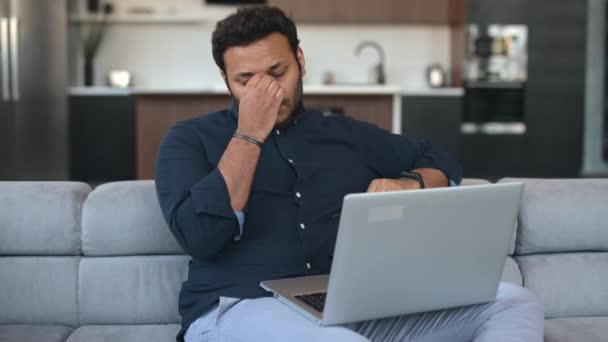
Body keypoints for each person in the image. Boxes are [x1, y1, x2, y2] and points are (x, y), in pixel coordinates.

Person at [155, 6, 544, 342]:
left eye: (278, 71)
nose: (268, 91)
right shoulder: (190, 139)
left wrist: (410, 183)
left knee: (513, 302)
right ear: (225, 81)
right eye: (247, 81)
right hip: (238, 308)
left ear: (301, 61)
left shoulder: (343, 134)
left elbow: (439, 158)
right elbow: (200, 237)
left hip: (345, 308)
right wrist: (249, 133)